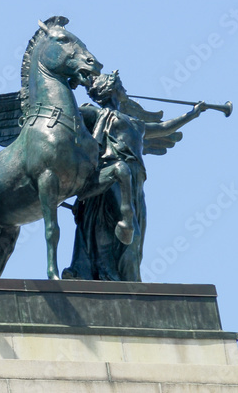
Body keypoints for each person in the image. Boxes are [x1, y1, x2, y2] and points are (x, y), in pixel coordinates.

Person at [64, 71, 205, 281]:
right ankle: (107, 274)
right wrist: (71, 82)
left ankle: (128, 279)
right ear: (110, 89)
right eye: (120, 85)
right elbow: (68, 114)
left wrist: (192, 114)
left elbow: (163, 128)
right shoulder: (97, 114)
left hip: (136, 180)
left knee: (136, 239)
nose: (125, 89)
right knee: (121, 230)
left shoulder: (135, 123)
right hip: (112, 174)